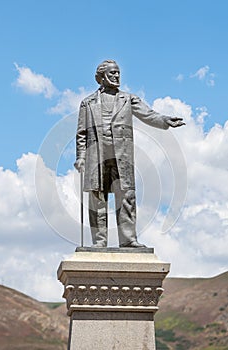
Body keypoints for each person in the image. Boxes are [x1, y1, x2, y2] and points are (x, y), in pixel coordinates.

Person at [74, 59, 185, 248]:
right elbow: (82, 133)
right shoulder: (87, 103)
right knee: (97, 196)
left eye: (118, 73)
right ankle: (99, 242)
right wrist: (81, 157)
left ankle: (128, 240)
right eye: (112, 73)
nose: (117, 76)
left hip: (122, 155)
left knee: (126, 196)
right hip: (97, 155)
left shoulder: (128, 99)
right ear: (101, 77)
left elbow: (148, 114)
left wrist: (165, 120)